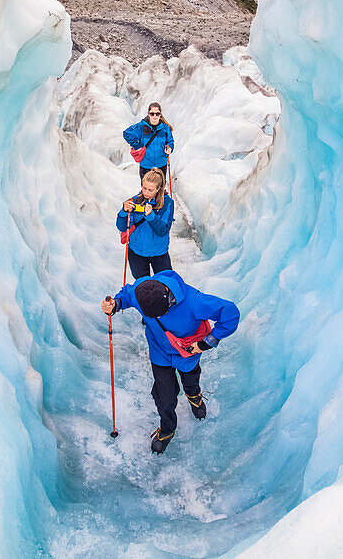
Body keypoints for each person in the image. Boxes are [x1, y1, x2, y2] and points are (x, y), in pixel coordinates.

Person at [101, 271, 240, 454]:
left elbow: (230, 313)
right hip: (160, 352)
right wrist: (115, 304)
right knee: (164, 396)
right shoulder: (140, 290)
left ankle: (194, 396)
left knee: (191, 380)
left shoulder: (194, 301)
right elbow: (126, 296)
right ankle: (167, 429)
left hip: (187, 351)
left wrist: (206, 343)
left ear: (168, 302)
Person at [118, 168, 174, 280]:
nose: (146, 193)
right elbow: (122, 227)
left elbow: (163, 230)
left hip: (159, 253)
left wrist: (151, 217)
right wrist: (123, 212)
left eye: (150, 190)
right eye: (144, 188)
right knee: (143, 287)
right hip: (136, 252)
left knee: (165, 283)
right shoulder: (134, 200)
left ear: (159, 189)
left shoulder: (167, 203)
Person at [123, 102, 174, 181]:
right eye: (152, 113)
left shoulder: (165, 128)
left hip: (161, 164)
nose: (154, 116)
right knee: (146, 189)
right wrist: (137, 146)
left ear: (160, 114)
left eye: (157, 114)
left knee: (159, 188)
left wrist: (170, 148)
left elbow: (170, 141)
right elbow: (127, 133)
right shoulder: (141, 126)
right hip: (146, 165)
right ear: (148, 114)